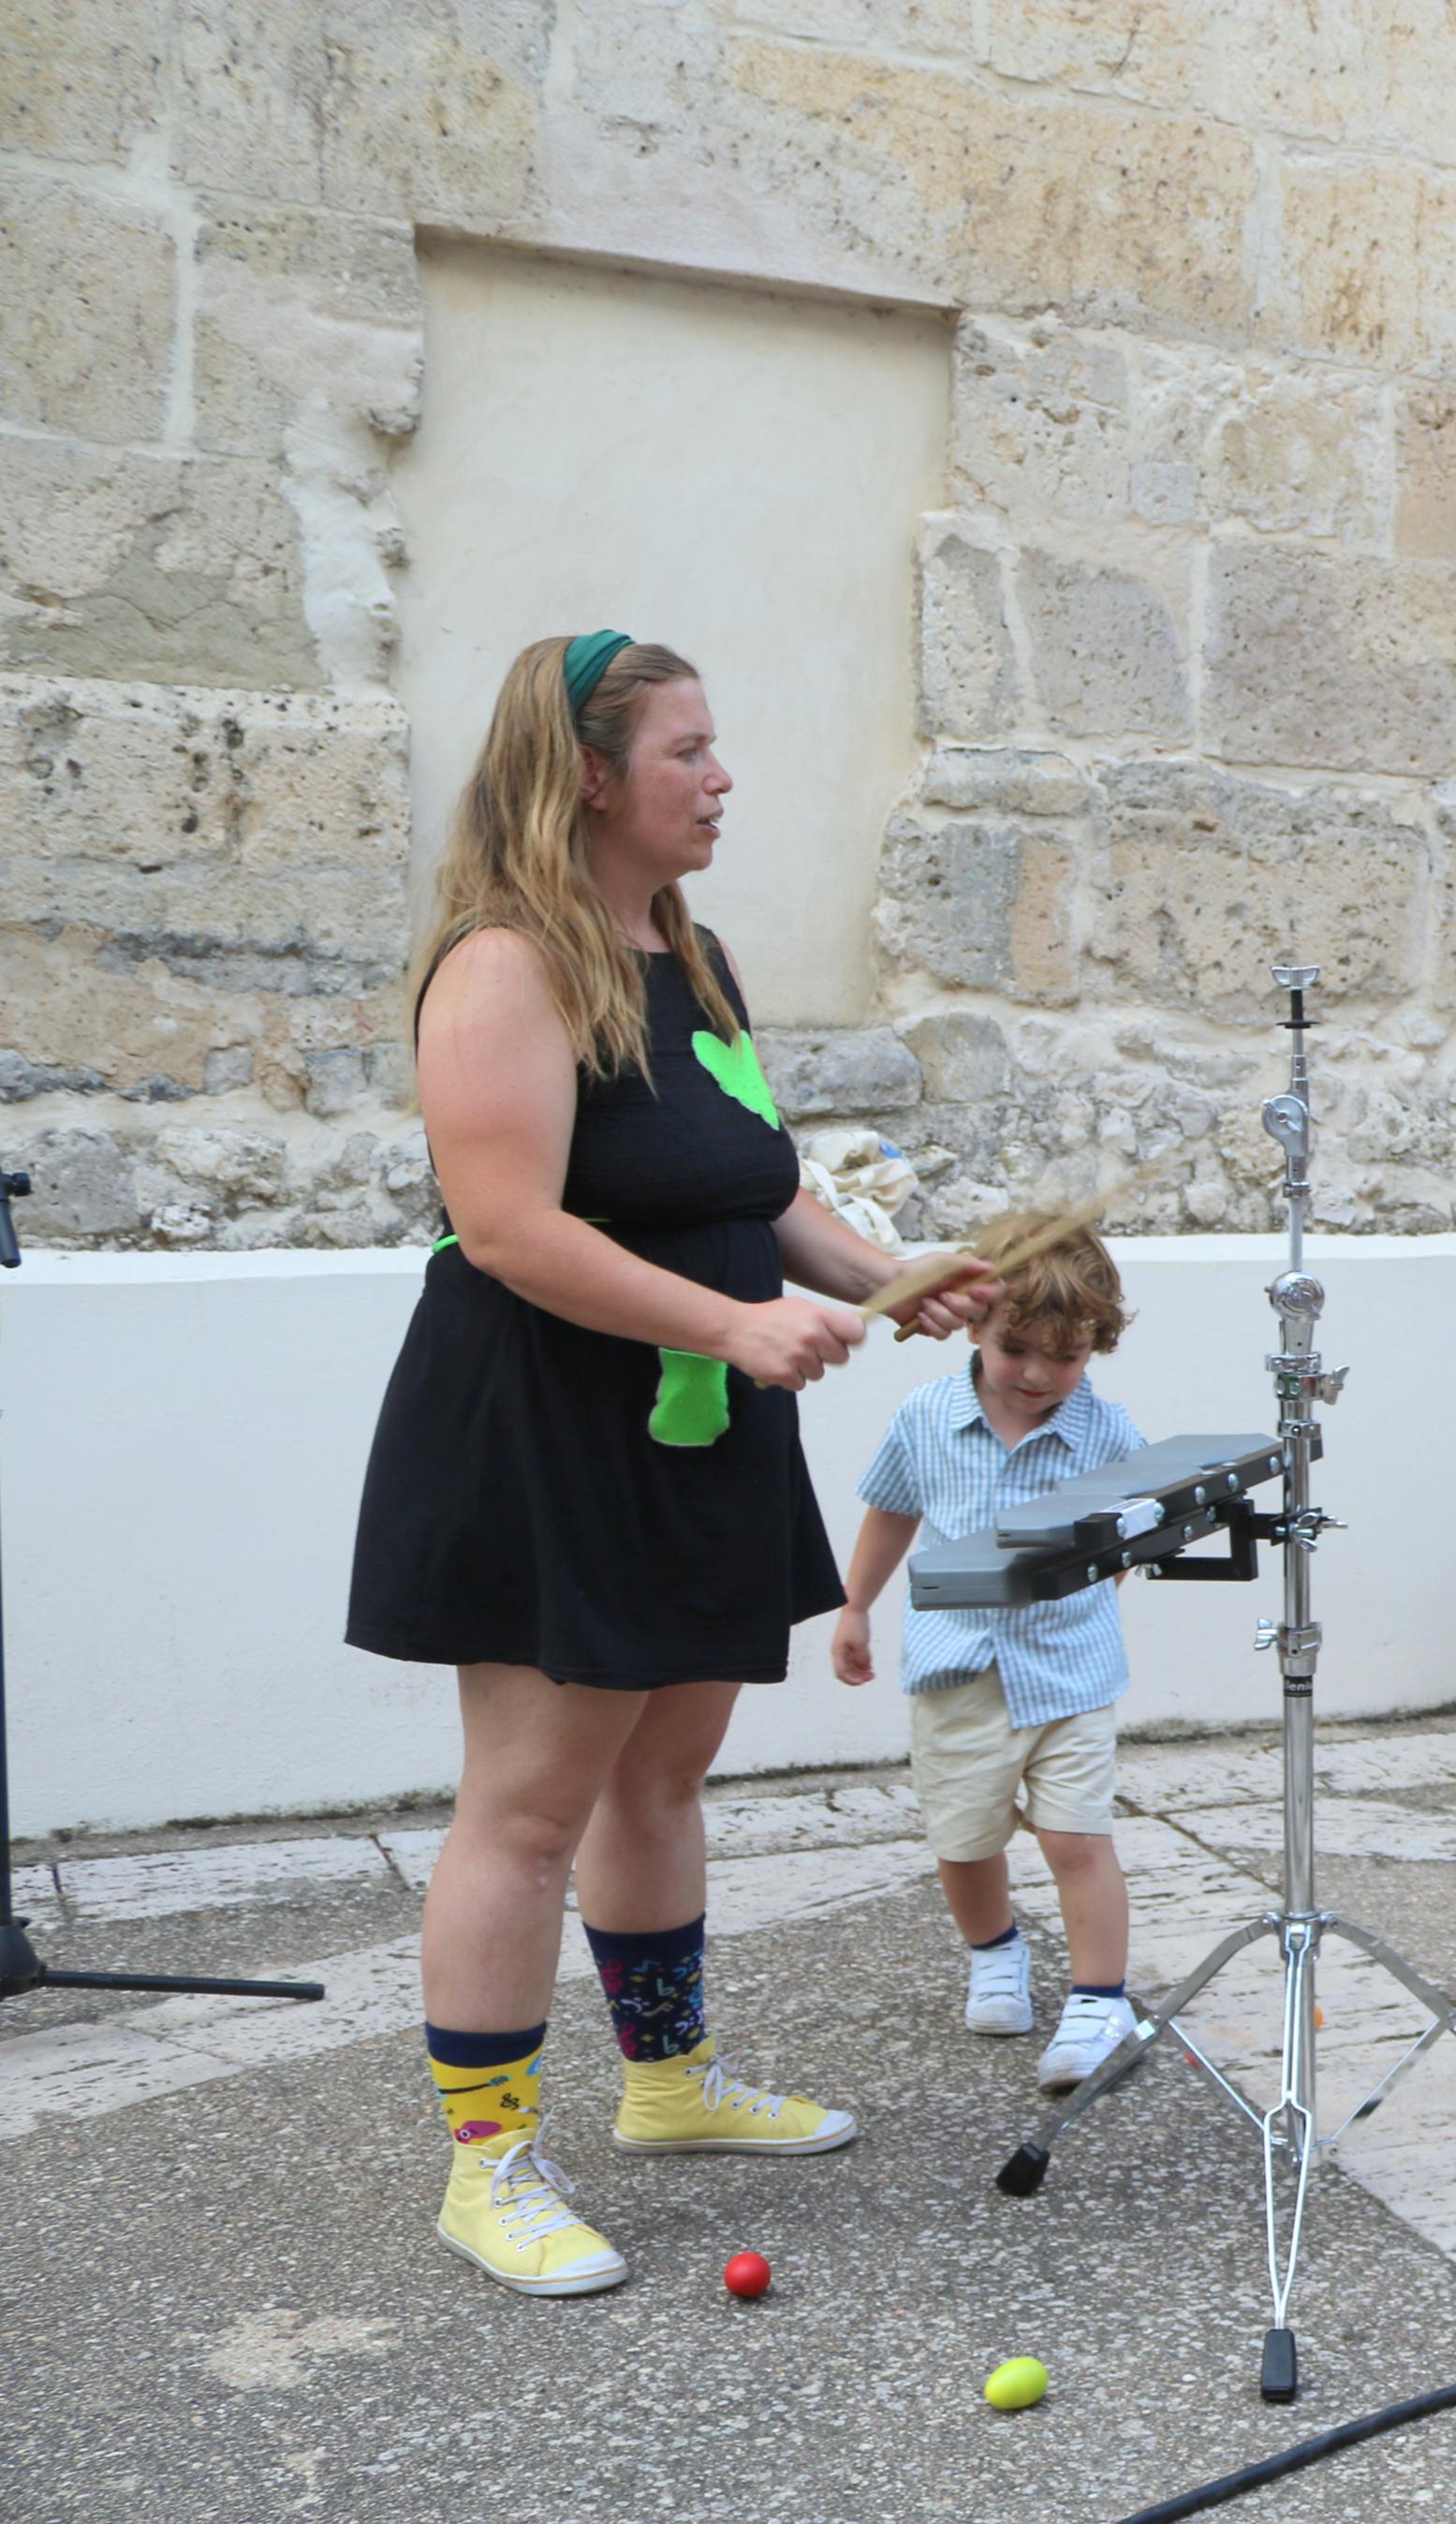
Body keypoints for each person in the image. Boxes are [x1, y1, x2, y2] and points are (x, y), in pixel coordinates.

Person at [348, 632, 988, 2297]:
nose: (721, 778)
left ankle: (668, 2082)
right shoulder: (506, 963)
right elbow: (506, 1227)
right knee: (527, 1807)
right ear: (585, 775)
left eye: (715, 747)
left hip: (691, 1426)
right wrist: (730, 1324)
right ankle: (488, 2167)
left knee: (661, 1775)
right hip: (549, 1429)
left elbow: (756, 1188)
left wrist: (894, 1279)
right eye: (685, 752)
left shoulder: (687, 955)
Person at [833, 1219, 1149, 2092]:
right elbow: (892, 1509)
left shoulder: (1107, 1430)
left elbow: (1123, 1542)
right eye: (1017, 1349)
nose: (1039, 1374)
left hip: (1069, 1673)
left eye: (1067, 1357)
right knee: (965, 1838)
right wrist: (854, 1605)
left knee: (1077, 1837)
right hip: (957, 1669)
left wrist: (1085, 1603)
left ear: (1095, 1346)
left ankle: (1099, 1999)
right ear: (973, 1322)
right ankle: (995, 1952)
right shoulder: (926, 1416)